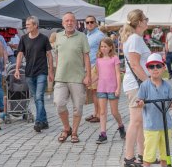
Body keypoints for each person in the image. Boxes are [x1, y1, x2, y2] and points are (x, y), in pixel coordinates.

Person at [137, 53, 172, 167]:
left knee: (165, 152)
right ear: (148, 69)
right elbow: (139, 101)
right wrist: (140, 103)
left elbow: (169, 103)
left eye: (158, 66)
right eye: (151, 67)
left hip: (166, 125)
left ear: (163, 68)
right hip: (151, 125)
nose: (155, 69)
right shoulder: (145, 86)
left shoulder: (167, 86)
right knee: (150, 152)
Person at [54, 12, 91, 143]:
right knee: (59, 104)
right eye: (67, 21)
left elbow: (86, 57)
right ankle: (66, 128)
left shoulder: (82, 37)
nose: (69, 23)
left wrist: (88, 75)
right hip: (61, 77)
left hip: (77, 78)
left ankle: (74, 132)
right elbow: (57, 56)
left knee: (78, 107)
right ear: (63, 23)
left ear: (75, 22)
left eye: (71, 20)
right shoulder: (58, 36)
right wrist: (53, 72)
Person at [121, 9, 151, 167]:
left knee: (140, 121)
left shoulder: (135, 38)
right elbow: (134, 64)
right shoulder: (135, 39)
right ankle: (129, 157)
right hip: (136, 85)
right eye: (145, 19)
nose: (147, 21)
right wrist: (149, 82)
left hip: (135, 83)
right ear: (139, 22)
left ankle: (143, 154)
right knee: (136, 121)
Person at [14, 16, 54, 132]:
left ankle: (38, 122)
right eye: (26, 25)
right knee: (37, 99)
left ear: (35, 25)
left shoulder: (44, 38)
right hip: (29, 72)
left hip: (41, 71)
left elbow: (49, 55)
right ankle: (44, 121)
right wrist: (17, 69)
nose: (26, 27)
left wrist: (51, 71)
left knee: (39, 97)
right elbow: (20, 55)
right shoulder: (23, 38)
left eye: (28, 25)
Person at [93, 37, 125, 144]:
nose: (103, 48)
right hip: (101, 88)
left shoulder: (114, 58)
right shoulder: (98, 59)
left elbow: (117, 74)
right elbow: (98, 74)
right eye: (101, 46)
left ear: (111, 47)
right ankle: (103, 133)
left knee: (114, 112)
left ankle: (120, 126)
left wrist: (118, 88)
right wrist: (90, 81)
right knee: (102, 112)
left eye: (105, 46)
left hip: (112, 88)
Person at [84, 15, 105, 123]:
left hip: (96, 66)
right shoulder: (88, 35)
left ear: (96, 23)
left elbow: (105, 50)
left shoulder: (99, 35)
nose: (89, 24)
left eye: (92, 22)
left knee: (97, 91)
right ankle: (95, 112)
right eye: (87, 22)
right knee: (93, 91)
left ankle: (99, 115)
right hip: (89, 66)